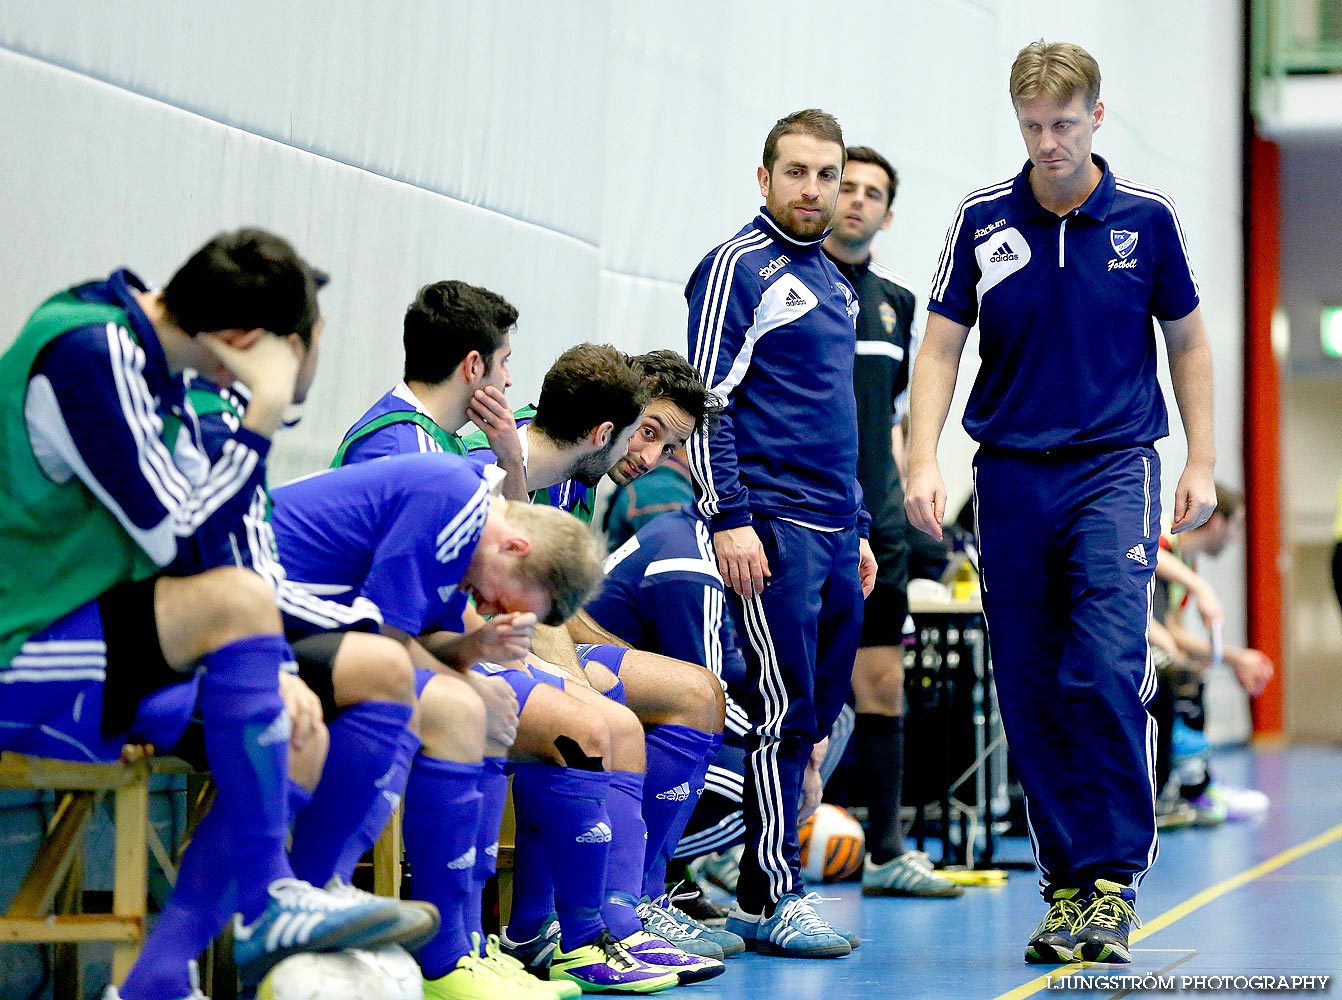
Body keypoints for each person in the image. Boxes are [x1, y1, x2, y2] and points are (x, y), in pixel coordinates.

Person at [0, 230, 410, 999]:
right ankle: (267, 902)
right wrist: (261, 414)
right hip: (17, 652)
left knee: (291, 728)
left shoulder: (140, 358)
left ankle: (160, 976)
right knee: (238, 601)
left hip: (76, 640)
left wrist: (274, 668)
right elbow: (183, 541)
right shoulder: (95, 352)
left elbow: (195, 536)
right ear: (247, 343)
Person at [905, 40, 1218, 965]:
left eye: (1063, 124)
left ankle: (1113, 876)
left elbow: (1190, 343)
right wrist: (924, 458)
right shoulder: (979, 220)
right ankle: (1068, 884)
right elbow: (938, 350)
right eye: (1033, 126)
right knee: (1031, 680)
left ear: (1097, 118)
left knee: (1105, 663)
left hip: (1114, 466)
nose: (1047, 143)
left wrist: (1203, 458)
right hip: (1009, 473)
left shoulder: (1148, 220)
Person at [338, 318, 705, 994]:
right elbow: (433, 604)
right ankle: (511, 938)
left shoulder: (524, 466)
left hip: (426, 643)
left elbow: (511, 599)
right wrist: (522, 664)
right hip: (367, 653)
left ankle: (606, 922)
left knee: (669, 701)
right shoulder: (440, 458)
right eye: (646, 434)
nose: (650, 457)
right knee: (578, 723)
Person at [463, 348, 737, 964]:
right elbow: (502, 595)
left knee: (697, 692)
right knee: (593, 718)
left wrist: (611, 654)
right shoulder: (538, 453)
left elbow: (555, 602)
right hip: (478, 648)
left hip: (528, 637)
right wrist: (574, 677)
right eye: (649, 434)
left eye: (669, 448)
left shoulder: (579, 474)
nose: (649, 459)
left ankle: (641, 900)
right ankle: (557, 924)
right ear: (612, 421)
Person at [686, 108, 877, 959]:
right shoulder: (736, 267)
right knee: (776, 713)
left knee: (817, 721)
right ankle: (769, 892)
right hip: (771, 526)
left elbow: (840, 421)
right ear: (764, 178)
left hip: (836, 531)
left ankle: (713, 865)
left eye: (826, 175)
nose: (814, 189)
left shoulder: (836, 283)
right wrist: (731, 519)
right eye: (796, 172)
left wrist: (861, 526)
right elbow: (703, 403)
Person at [822, 145, 960, 899]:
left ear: (888, 212)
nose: (857, 201)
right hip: (808, 525)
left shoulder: (897, 305)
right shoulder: (794, 289)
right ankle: (754, 858)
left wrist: (912, 496)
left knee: (882, 683)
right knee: (795, 689)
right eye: (847, 187)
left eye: (873, 192)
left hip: (881, 530)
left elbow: (897, 415)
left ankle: (886, 850)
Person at [1150, 485, 1273, 823]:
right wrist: (1198, 586)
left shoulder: (1185, 565)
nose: (1236, 539)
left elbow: (1174, 631)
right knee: (1169, 671)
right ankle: (1158, 794)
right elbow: (1146, 557)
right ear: (1216, 521)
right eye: (1236, 526)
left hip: (1148, 644)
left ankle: (1193, 786)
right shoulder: (1162, 540)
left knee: (1194, 668)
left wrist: (1234, 658)